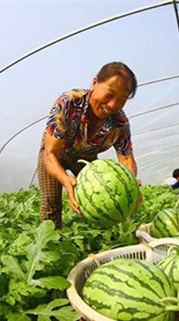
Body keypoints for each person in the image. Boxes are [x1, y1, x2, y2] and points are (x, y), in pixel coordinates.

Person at [37, 62, 140, 229]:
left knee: (102, 202)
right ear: (94, 83)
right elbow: (50, 154)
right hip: (56, 154)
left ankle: (94, 242)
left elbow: (127, 158)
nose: (113, 105)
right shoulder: (68, 103)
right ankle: (52, 246)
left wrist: (130, 184)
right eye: (109, 94)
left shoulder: (120, 123)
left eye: (122, 100)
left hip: (86, 158)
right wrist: (65, 179)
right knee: (51, 206)